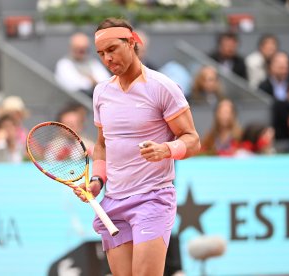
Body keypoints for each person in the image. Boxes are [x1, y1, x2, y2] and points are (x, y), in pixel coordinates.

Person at [73, 17, 201, 276]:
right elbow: (102, 145)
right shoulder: (100, 92)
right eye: (100, 53)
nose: (107, 59)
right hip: (114, 201)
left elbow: (193, 140)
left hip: (152, 198)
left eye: (112, 50)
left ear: (131, 43)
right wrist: (97, 179)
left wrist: (166, 149)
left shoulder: (163, 87)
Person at [54, 32, 111, 97]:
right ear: (71, 48)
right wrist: (92, 81)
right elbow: (72, 85)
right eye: (78, 48)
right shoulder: (63, 64)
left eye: (84, 49)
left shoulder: (93, 63)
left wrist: (93, 82)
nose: (81, 51)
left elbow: (106, 81)